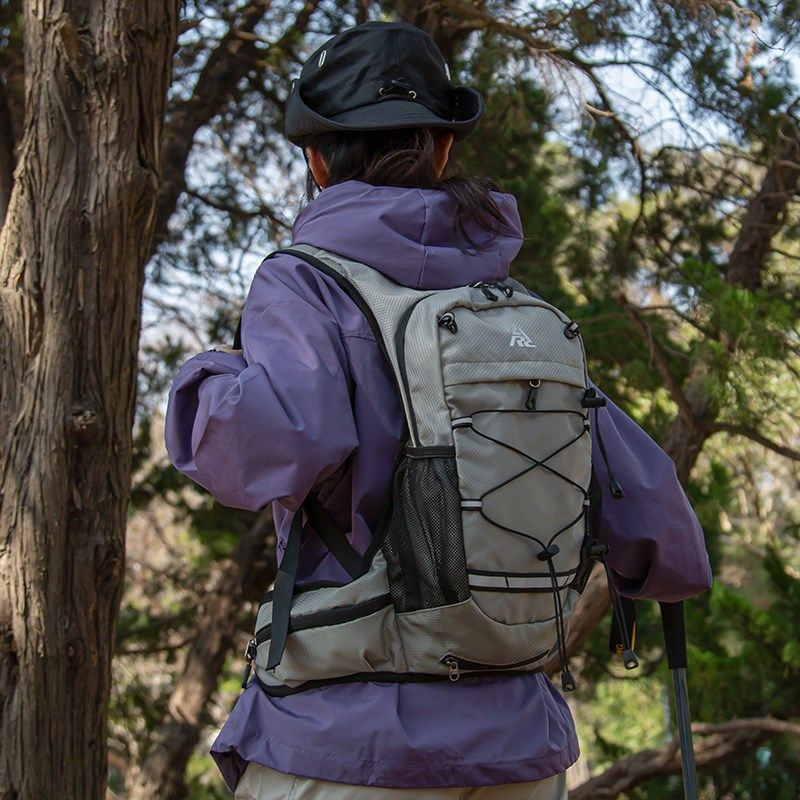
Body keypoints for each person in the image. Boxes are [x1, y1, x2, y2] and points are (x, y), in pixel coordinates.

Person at [165, 20, 712, 800]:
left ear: (318, 161)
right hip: (521, 752)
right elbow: (668, 542)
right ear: (443, 151)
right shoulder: (520, 314)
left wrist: (206, 378)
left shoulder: (307, 283)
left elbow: (271, 440)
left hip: (347, 750)